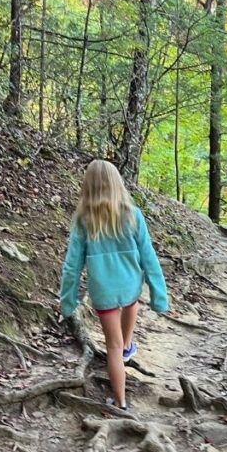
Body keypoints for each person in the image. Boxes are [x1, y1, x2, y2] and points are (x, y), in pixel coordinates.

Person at [60, 160, 169, 410]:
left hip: (104, 292)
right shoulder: (134, 215)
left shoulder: (83, 220)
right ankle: (128, 345)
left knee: (113, 348)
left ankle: (119, 402)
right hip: (131, 286)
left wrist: (68, 301)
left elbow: (72, 266)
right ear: (117, 183)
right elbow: (149, 259)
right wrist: (159, 296)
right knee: (130, 303)